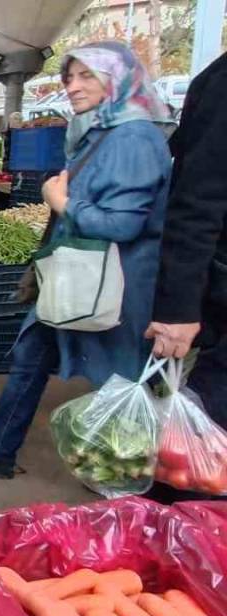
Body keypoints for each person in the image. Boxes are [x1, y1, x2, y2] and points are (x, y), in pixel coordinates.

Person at [0, 41, 173, 479]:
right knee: (31, 355)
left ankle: (128, 476)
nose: (72, 85)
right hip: (75, 275)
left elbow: (123, 226)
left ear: (118, 80)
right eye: (70, 76)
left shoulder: (133, 137)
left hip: (117, 284)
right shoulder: (97, 133)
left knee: (122, 378)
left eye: (87, 75)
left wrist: (60, 200)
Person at [145, 52, 227, 502]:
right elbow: (196, 204)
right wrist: (178, 308)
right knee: (197, 465)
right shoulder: (223, 84)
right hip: (214, 296)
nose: (74, 87)